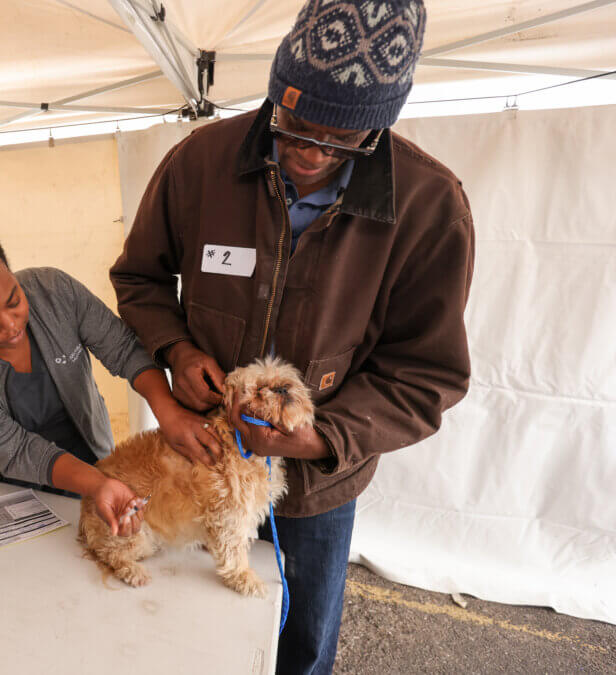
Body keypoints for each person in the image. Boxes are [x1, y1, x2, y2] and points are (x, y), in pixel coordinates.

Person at [110, 1, 473, 672]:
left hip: (314, 489)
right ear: (276, 89)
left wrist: (320, 439)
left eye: (341, 141)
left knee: (299, 643)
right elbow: (139, 278)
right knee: (189, 630)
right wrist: (176, 350)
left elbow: (426, 375)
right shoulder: (201, 162)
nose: (309, 153)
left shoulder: (427, 204)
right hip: (198, 462)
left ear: (380, 126)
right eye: (295, 125)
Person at [0, 226, 218, 536]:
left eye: (14, 301)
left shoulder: (54, 291)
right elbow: (18, 452)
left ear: (10, 271)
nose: (9, 325)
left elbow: (124, 350)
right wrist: (97, 484)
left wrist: (167, 410)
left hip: (91, 461)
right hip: (5, 488)